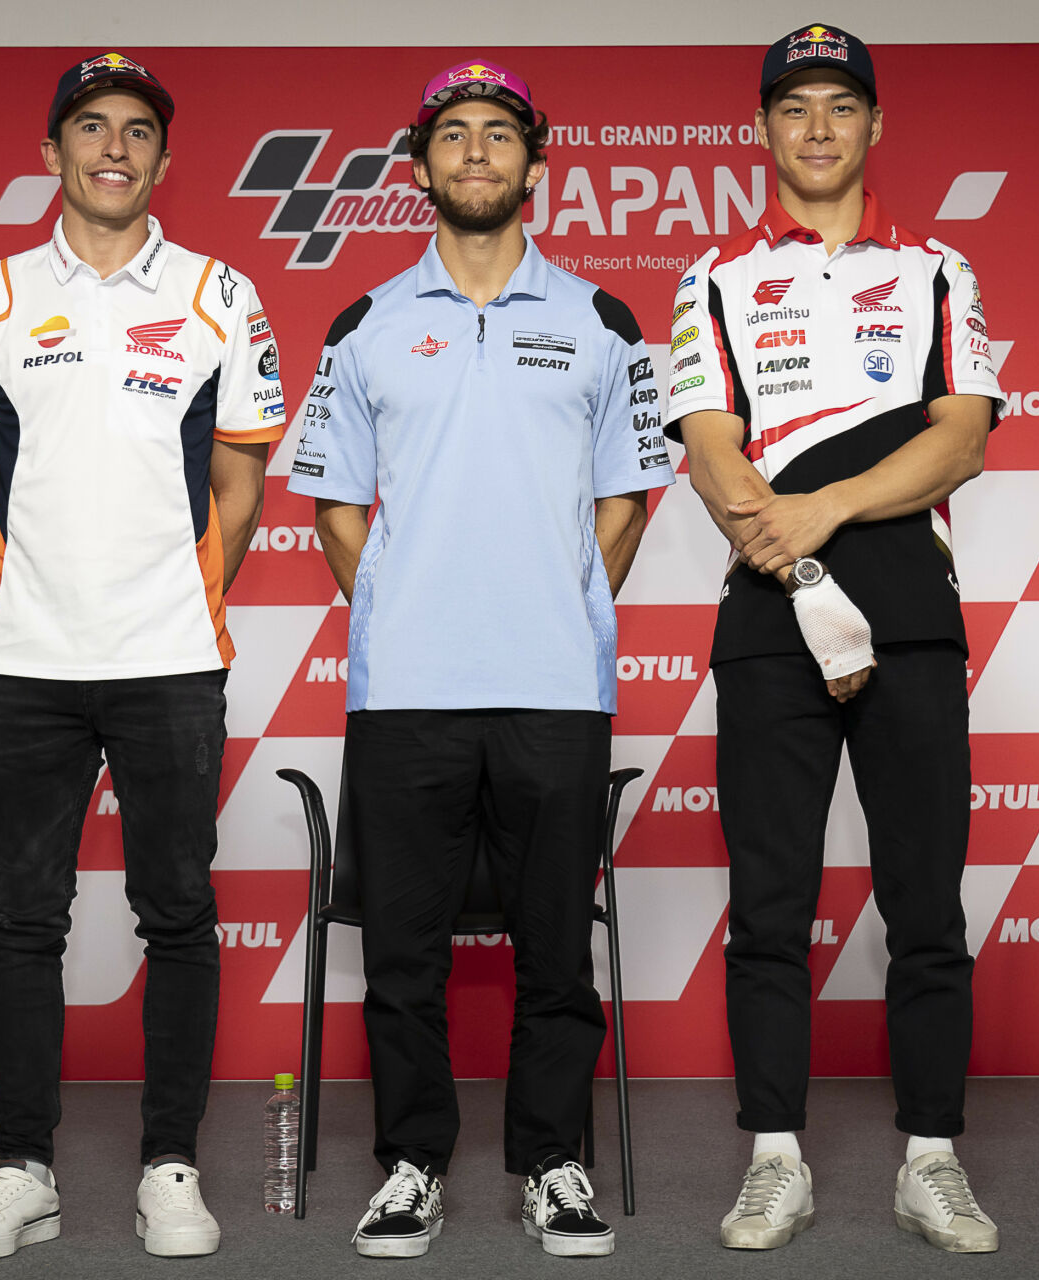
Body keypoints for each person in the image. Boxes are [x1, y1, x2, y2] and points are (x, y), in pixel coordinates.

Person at [286, 58, 674, 1260]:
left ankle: (554, 1163)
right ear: (420, 169)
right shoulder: (367, 325)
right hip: (406, 692)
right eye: (452, 136)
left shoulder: (602, 319)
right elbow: (333, 508)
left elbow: (630, 495)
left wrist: (557, 601)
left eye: (497, 135)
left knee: (557, 946)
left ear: (532, 167)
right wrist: (403, 602)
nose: (474, 153)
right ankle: (411, 1164)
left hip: (557, 688)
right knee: (402, 954)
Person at [0, 51, 283, 1261]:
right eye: (91, 127)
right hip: (27, 657)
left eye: (137, 130)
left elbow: (242, 478)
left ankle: (169, 1167)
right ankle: (21, 1166)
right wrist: (37, 576)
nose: (114, 147)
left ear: (165, 160)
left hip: (174, 659)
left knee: (176, 912)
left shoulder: (223, 293)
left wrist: (166, 589)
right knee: (24, 915)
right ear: (53, 153)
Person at [664, 23, 1006, 1256]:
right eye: (794, 107)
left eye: (840, 107)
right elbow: (709, 448)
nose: (817, 129)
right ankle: (774, 1159)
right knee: (771, 903)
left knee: (926, 900)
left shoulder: (937, 272)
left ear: (875, 128)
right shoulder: (711, 275)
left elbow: (959, 438)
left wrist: (824, 507)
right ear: (763, 131)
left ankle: (932, 1157)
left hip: (909, 615)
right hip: (767, 619)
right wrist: (788, 544)